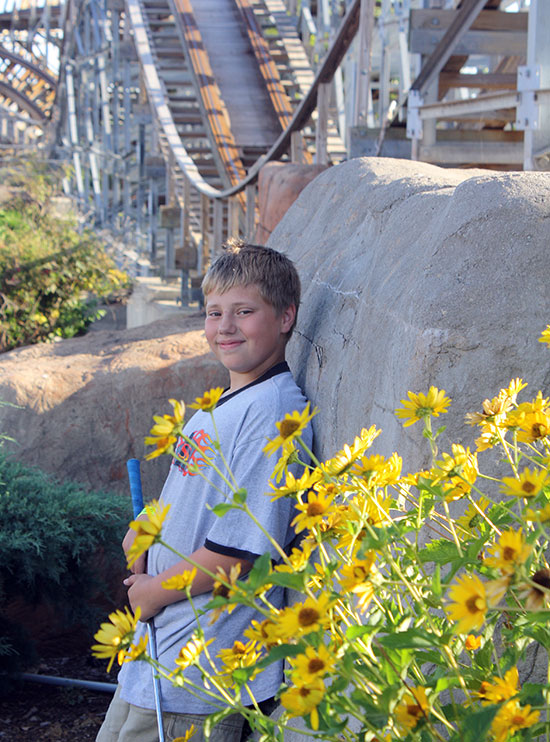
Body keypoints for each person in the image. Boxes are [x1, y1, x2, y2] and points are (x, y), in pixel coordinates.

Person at [96, 240, 313, 742]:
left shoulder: (273, 415)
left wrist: (152, 590)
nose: (225, 327)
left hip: (202, 671)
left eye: (244, 311)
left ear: (285, 317)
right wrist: (147, 532)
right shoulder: (225, 406)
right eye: (215, 312)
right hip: (160, 658)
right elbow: (198, 507)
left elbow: (243, 552)